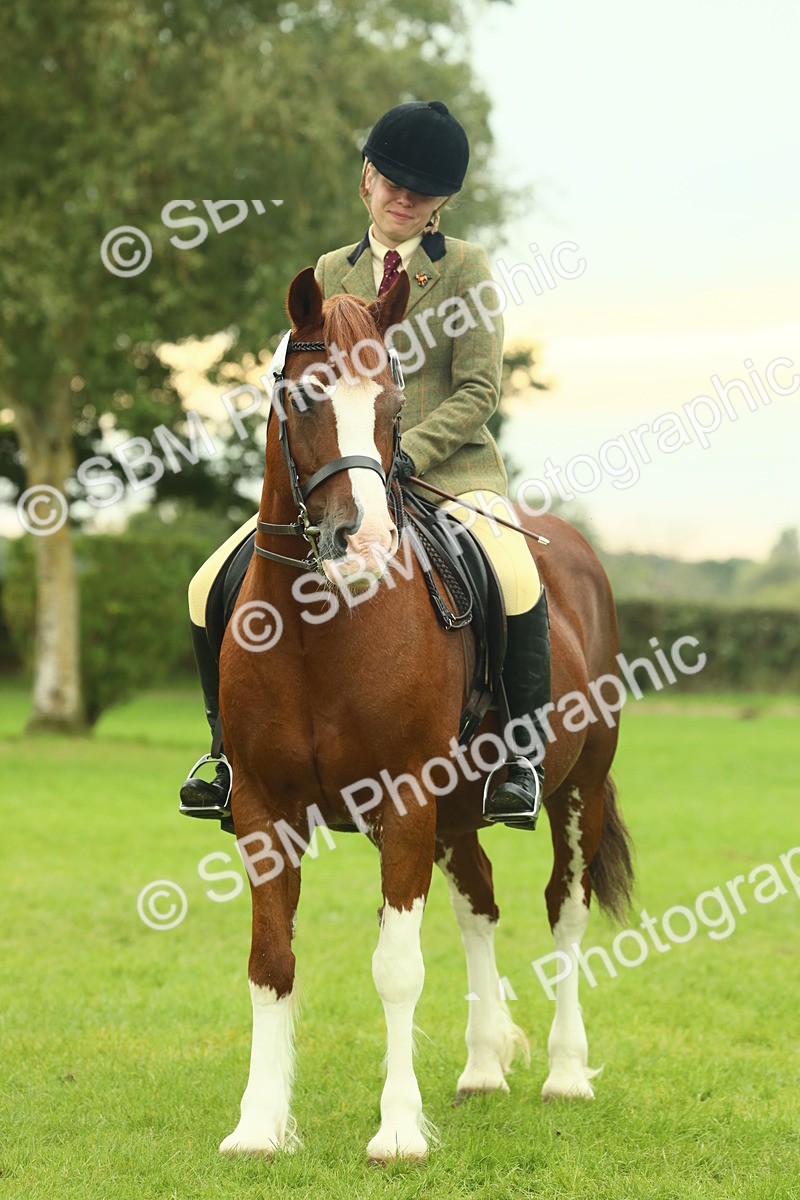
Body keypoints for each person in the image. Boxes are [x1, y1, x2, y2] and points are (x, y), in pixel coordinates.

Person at [179, 99, 551, 829]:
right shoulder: (329, 270)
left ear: (442, 201)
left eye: (424, 189)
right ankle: (227, 756)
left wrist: (405, 453)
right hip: (343, 481)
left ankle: (520, 758)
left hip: (450, 476)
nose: (405, 197)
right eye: (394, 182)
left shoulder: (468, 269)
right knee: (206, 583)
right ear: (368, 181)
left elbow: (479, 390)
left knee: (516, 572)